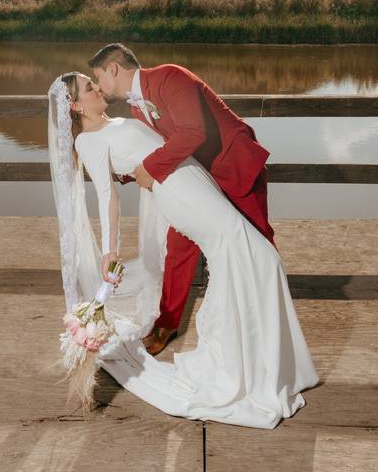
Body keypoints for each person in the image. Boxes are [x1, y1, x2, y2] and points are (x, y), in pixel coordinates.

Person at [46, 71, 318, 429]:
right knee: (257, 257)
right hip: (178, 192)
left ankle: (251, 362)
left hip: (192, 178)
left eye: (94, 82)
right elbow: (106, 195)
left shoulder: (121, 119)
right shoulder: (89, 142)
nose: (97, 88)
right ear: (75, 105)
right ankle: (245, 367)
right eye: (88, 87)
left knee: (235, 263)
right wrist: (109, 250)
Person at [88, 43, 274, 356]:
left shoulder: (170, 76)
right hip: (199, 183)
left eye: (98, 77)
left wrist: (148, 168)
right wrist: (124, 171)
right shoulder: (136, 107)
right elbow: (157, 147)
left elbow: (192, 133)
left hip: (234, 165)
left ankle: (268, 317)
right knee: (179, 246)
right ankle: (167, 322)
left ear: (113, 69)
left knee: (259, 243)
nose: (99, 87)